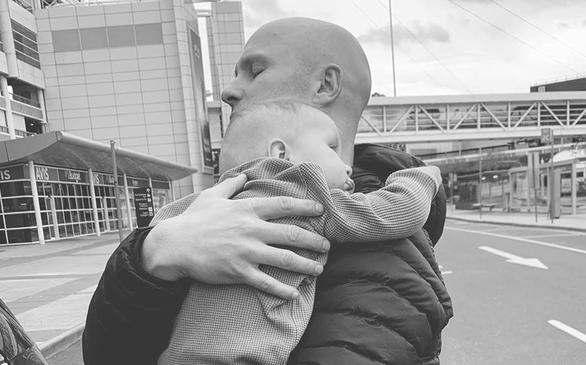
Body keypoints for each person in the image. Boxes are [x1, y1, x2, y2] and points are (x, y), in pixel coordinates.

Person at [83, 17, 452, 365]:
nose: (228, 91)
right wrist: (151, 256)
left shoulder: (371, 245)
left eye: (255, 70)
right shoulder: (222, 204)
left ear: (325, 85)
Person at [158, 102, 442, 365]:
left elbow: (156, 230)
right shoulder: (304, 191)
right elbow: (401, 212)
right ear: (282, 154)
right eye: (333, 148)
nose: (346, 165)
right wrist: (422, 176)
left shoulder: (207, 204)